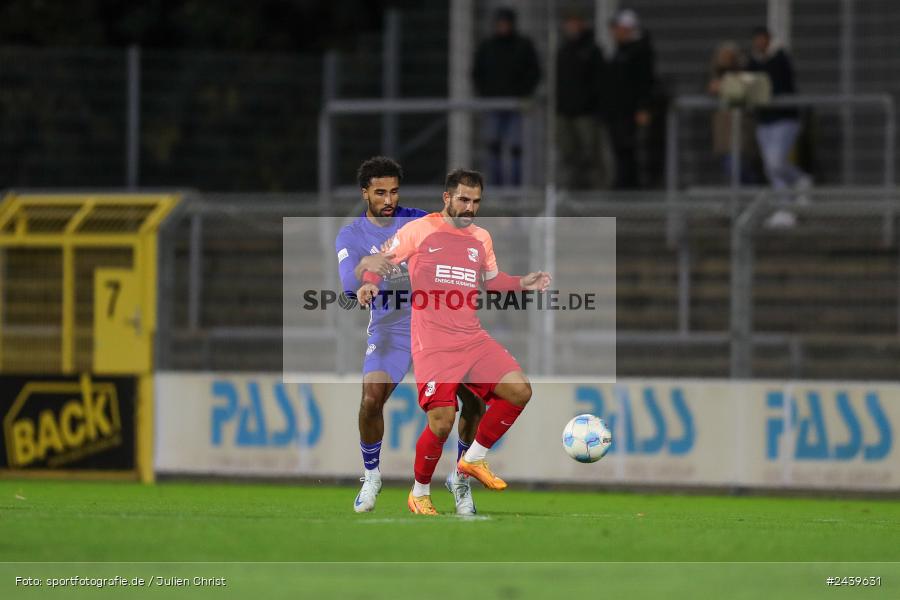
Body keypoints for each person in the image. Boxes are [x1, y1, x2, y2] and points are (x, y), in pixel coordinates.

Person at [356, 168, 551, 515]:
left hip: (471, 337)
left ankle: (470, 463)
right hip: (432, 341)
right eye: (463, 199)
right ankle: (419, 493)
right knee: (443, 420)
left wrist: (523, 282)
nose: (470, 207)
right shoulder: (419, 230)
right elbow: (382, 262)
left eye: (476, 201)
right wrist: (370, 282)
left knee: (520, 390)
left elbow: (491, 281)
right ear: (447, 198)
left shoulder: (481, 238)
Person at [335, 157, 484, 515]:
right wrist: (364, 285)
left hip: (439, 323)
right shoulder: (351, 234)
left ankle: (460, 478)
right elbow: (348, 282)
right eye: (380, 192)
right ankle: (371, 477)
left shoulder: (419, 220)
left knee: (476, 400)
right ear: (365, 193)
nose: (388, 199)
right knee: (371, 399)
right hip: (393, 328)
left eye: (394, 192)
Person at [747, 26, 811, 227]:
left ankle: (799, 182)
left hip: (784, 119)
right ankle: (785, 206)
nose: (759, 44)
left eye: (762, 40)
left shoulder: (780, 58)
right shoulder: (753, 61)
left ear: (768, 40)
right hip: (764, 121)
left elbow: (779, 85)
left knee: (776, 163)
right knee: (771, 167)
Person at [472, 7, 541, 187]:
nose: (503, 27)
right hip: (494, 105)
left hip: (516, 105)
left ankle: (516, 188)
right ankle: (496, 187)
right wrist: (486, 94)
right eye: (500, 23)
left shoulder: (523, 45)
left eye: (506, 23)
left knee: (517, 148)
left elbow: (535, 72)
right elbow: (476, 73)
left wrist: (523, 92)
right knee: (493, 147)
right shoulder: (487, 46)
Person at [556, 11, 611, 190]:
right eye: (569, 23)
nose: (572, 27)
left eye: (576, 22)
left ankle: (595, 193)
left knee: (591, 154)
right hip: (564, 112)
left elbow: (601, 82)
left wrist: (596, 107)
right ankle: (571, 192)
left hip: (586, 113)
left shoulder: (592, 50)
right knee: (568, 155)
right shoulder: (562, 51)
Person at [606, 9, 655, 189]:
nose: (614, 32)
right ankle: (623, 183)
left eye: (618, 28)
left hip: (630, 111)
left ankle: (631, 185)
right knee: (620, 148)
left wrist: (643, 107)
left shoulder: (640, 51)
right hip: (618, 110)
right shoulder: (620, 51)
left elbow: (645, 82)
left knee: (630, 149)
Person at [706, 41, 761, 185]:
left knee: (738, 168)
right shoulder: (715, 74)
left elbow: (748, 86)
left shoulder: (746, 71)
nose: (726, 60)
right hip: (724, 133)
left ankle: (754, 196)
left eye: (729, 57)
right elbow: (711, 88)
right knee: (731, 169)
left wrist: (724, 85)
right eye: (723, 56)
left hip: (741, 131)